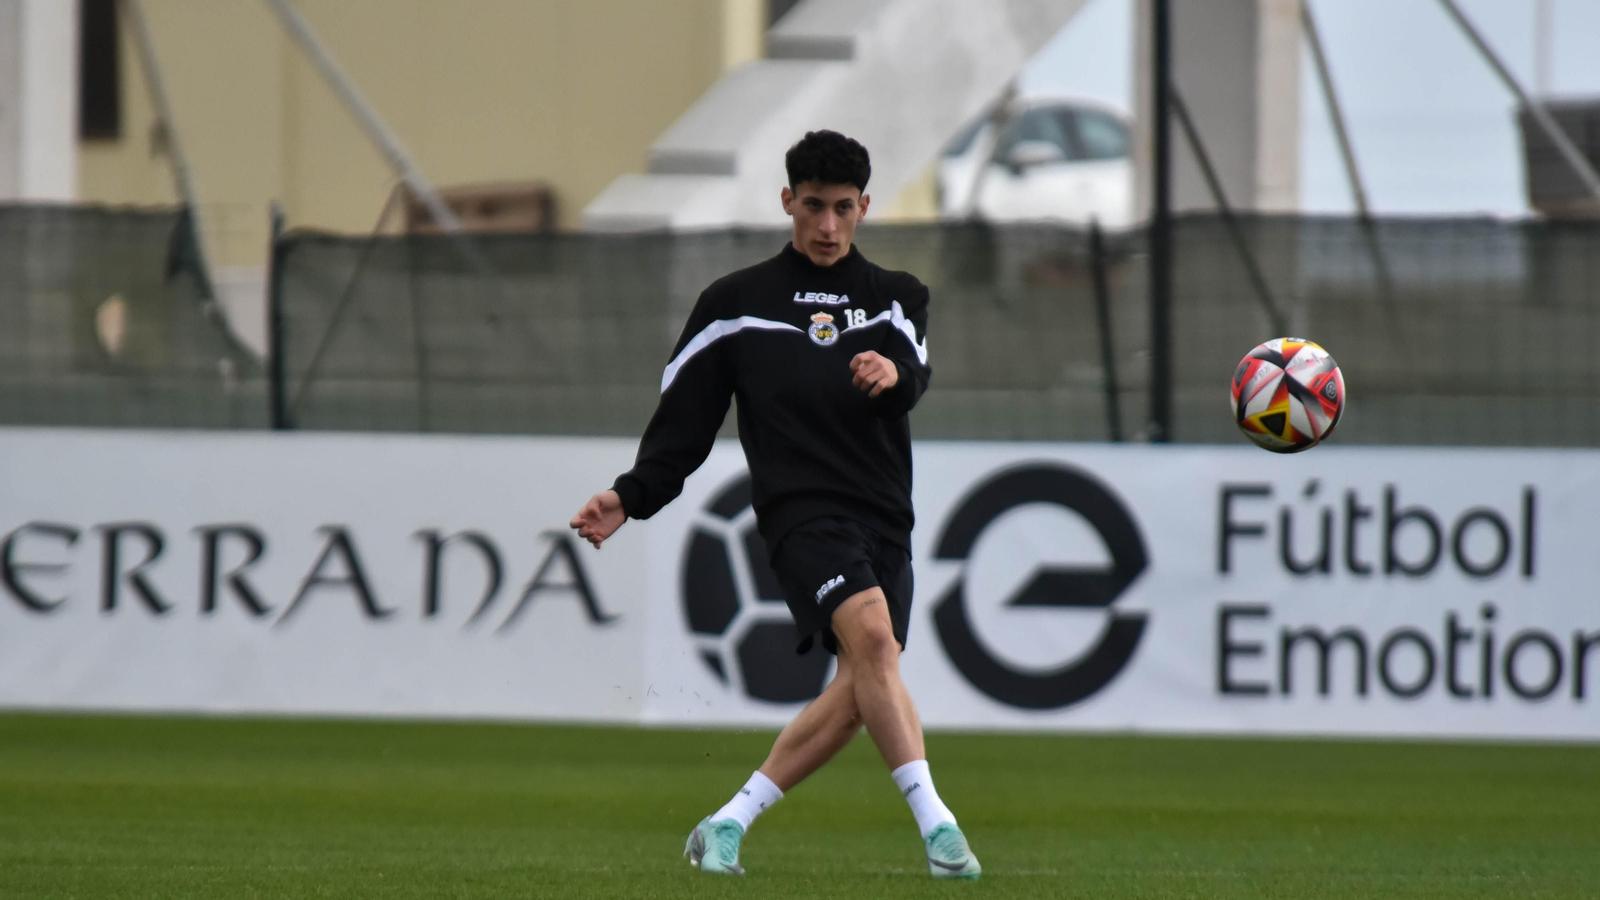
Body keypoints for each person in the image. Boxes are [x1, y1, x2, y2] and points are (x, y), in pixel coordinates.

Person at [569, 130, 980, 880]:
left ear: (864, 208)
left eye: (843, 209)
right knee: (876, 643)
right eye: (813, 206)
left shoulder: (898, 298)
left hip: (886, 516)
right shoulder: (735, 304)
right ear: (787, 201)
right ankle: (941, 833)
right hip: (802, 516)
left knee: (862, 689)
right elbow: (684, 422)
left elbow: (914, 378)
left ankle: (727, 823)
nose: (827, 226)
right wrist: (631, 495)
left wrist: (891, 375)